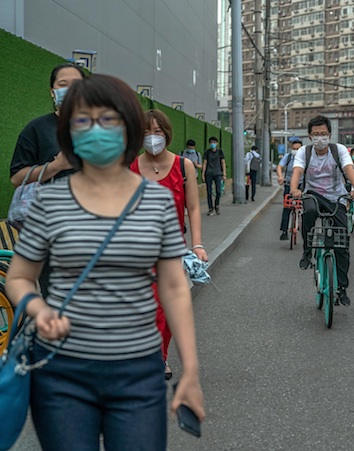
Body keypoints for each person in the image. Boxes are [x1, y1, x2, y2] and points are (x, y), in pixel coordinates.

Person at [4, 74, 204, 449]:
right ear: (69, 132)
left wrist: (190, 369)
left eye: (108, 119)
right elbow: (19, 278)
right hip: (62, 372)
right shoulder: (49, 202)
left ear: (127, 128)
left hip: (138, 372)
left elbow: (175, 287)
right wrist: (38, 309)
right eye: (83, 120)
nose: (96, 130)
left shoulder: (156, 203)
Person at [130, 109, 208, 379]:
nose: (152, 138)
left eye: (157, 132)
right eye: (146, 132)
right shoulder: (129, 166)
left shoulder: (183, 166)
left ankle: (159, 358)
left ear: (167, 134)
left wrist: (197, 245)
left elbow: (194, 209)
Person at [9, 63, 85, 298]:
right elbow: (16, 177)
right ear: (52, 91)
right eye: (63, 85)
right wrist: (55, 166)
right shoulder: (37, 129)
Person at [289, 115, 354, 306]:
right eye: (315, 134)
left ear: (329, 134)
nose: (320, 138)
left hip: (335, 198)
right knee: (310, 212)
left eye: (323, 134)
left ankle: (342, 288)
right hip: (312, 195)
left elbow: (348, 169)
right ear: (309, 136)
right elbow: (297, 172)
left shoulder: (339, 151)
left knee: (342, 243)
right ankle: (307, 251)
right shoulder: (304, 152)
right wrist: (294, 189)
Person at [277, 139, 303, 240]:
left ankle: (303, 226)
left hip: (302, 185)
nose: (296, 151)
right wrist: (280, 177)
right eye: (294, 149)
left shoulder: (306, 158)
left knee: (305, 206)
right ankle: (284, 231)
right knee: (287, 206)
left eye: (298, 149)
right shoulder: (288, 157)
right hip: (288, 184)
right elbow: (279, 166)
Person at [202, 136, 226, 215]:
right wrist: (203, 174)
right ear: (209, 143)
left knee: (218, 191)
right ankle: (210, 208)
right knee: (209, 192)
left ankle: (217, 205)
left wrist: (224, 174)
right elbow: (205, 163)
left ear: (217, 143)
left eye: (214, 142)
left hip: (218, 173)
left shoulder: (220, 152)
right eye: (211, 142)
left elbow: (223, 162)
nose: (213, 144)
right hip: (209, 173)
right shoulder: (207, 152)